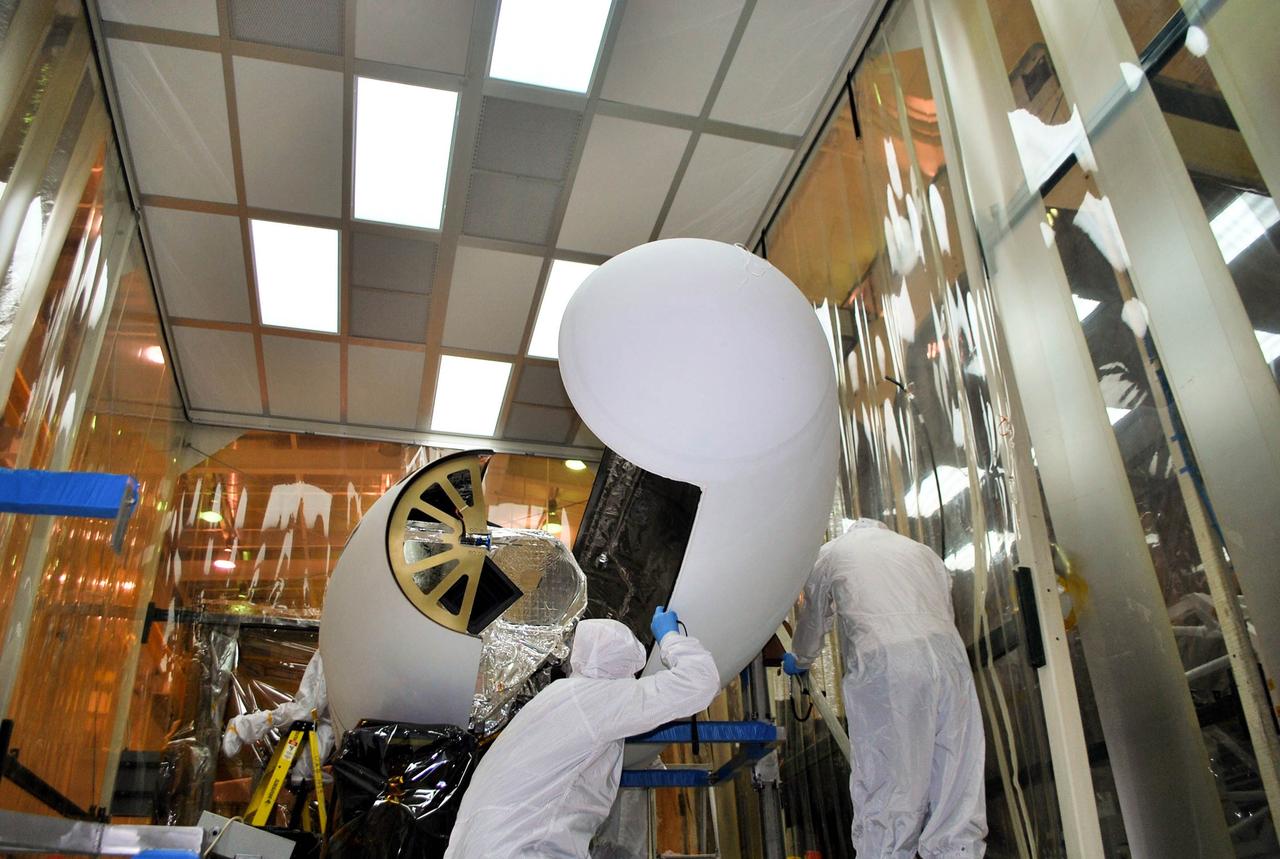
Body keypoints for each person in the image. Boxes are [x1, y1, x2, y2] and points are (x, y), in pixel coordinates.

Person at [783, 518, 987, 858]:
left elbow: (814, 616)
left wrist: (800, 659)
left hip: (889, 661)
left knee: (890, 777)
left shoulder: (833, 552)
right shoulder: (923, 553)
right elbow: (944, 609)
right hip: (950, 659)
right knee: (956, 772)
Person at [444, 607, 719, 858]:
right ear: (625, 667)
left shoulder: (555, 696)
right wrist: (669, 636)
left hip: (475, 844)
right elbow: (699, 682)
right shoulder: (600, 699)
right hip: (519, 848)